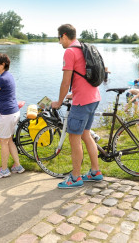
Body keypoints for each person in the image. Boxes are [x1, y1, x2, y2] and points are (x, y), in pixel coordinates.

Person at [51, 24, 102, 189]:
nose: (59, 42)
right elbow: (82, 74)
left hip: (82, 102)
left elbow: (66, 81)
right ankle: (95, 172)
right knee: (86, 135)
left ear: (64, 36)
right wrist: (76, 92)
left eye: (59, 38)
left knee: (74, 139)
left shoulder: (70, 51)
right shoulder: (84, 48)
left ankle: (75, 177)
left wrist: (58, 102)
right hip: (94, 97)